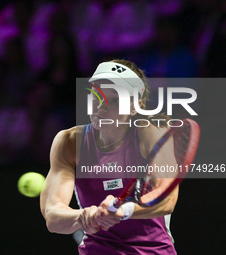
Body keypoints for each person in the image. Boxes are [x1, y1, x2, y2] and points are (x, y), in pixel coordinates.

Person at [40, 59, 178, 254]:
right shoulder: (69, 142)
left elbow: (167, 200)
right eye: (97, 95)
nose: (101, 107)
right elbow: (53, 217)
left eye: (115, 99)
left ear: (134, 107)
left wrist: (123, 211)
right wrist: (82, 216)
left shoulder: (152, 133)